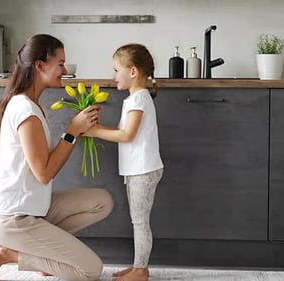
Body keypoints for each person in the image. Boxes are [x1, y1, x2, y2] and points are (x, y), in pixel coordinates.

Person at [0, 34, 114, 281]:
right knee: (90, 271)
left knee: (102, 201)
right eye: (60, 63)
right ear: (40, 66)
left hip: (31, 209)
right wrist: (73, 131)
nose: (64, 70)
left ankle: (42, 254)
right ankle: (7, 253)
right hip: (12, 218)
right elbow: (43, 173)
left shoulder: (33, 105)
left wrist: (79, 131)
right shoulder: (25, 111)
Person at [84, 43, 164, 281]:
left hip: (144, 170)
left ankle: (140, 270)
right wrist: (96, 128)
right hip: (137, 169)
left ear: (133, 72)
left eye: (116, 70)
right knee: (137, 220)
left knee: (140, 221)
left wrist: (94, 133)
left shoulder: (139, 99)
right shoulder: (134, 99)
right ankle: (138, 267)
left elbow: (126, 135)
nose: (113, 76)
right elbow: (122, 132)